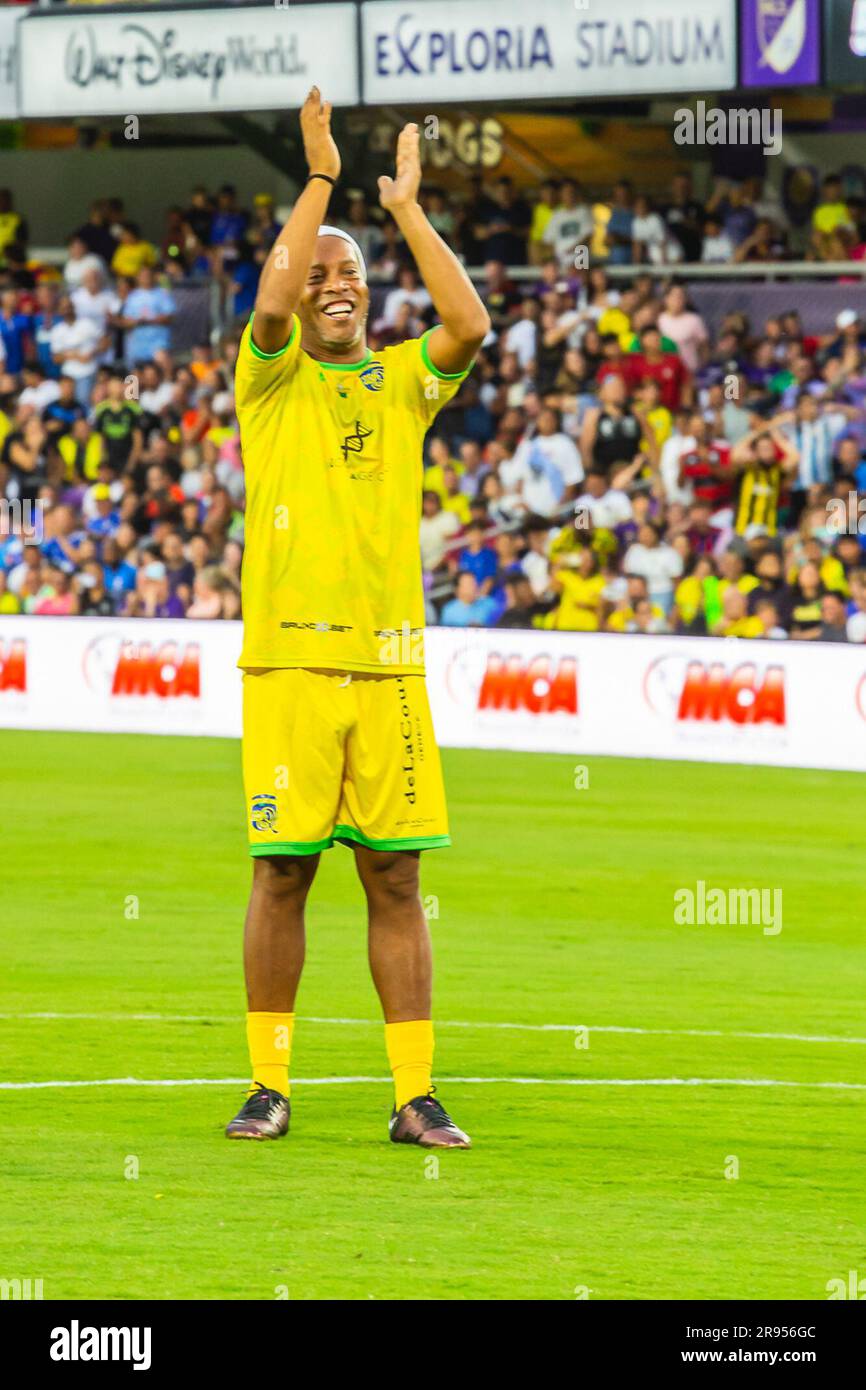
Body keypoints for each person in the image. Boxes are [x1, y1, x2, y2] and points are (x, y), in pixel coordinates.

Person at [226, 88, 489, 1148]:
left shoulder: (400, 382)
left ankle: (412, 1094)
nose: (334, 289)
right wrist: (322, 180)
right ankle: (268, 1084)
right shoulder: (269, 377)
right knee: (282, 870)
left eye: (353, 277)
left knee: (396, 874)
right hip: (288, 664)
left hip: (389, 668)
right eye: (322, 275)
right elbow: (277, 298)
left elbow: (467, 323)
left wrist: (407, 211)